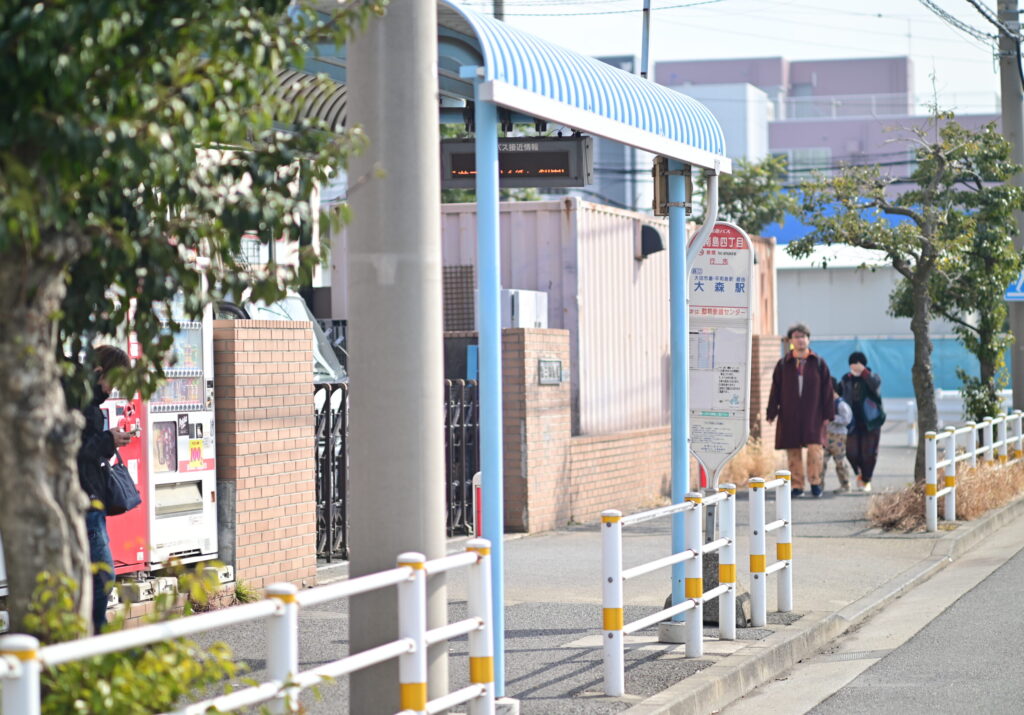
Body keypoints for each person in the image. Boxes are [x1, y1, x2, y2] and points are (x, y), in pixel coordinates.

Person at [77, 344, 132, 633]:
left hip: (89, 502)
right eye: (114, 380)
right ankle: (95, 640)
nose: (113, 389)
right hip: (86, 503)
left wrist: (110, 441)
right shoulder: (83, 406)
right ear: (99, 371)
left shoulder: (84, 402)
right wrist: (108, 439)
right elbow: (78, 451)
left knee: (91, 577)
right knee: (103, 577)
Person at [766, 323, 835, 498]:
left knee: (815, 449)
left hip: (814, 414)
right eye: (796, 337)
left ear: (808, 339)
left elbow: (828, 390)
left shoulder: (818, 362)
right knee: (793, 450)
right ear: (790, 341)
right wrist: (771, 412)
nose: (800, 340)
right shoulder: (783, 364)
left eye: (803, 336)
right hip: (790, 414)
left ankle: (815, 483)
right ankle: (797, 485)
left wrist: (828, 414)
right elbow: (775, 390)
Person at [840, 351, 884, 493]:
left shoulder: (872, 377)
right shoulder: (846, 379)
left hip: (870, 421)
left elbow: (875, 385)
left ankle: (866, 479)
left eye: (858, 363)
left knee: (869, 452)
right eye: (853, 363)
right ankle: (859, 473)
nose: (855, 365)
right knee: (851, 452)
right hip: (852, 421)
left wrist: (864, 372)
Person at [824, 377, 854, 494]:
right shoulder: (826, 403)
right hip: (826, 436)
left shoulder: (841, 404)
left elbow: (847, 419)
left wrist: (832, 418)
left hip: (839, 437)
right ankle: (818, 486)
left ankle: (846, 485)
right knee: (822, 461)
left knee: (840, 462)